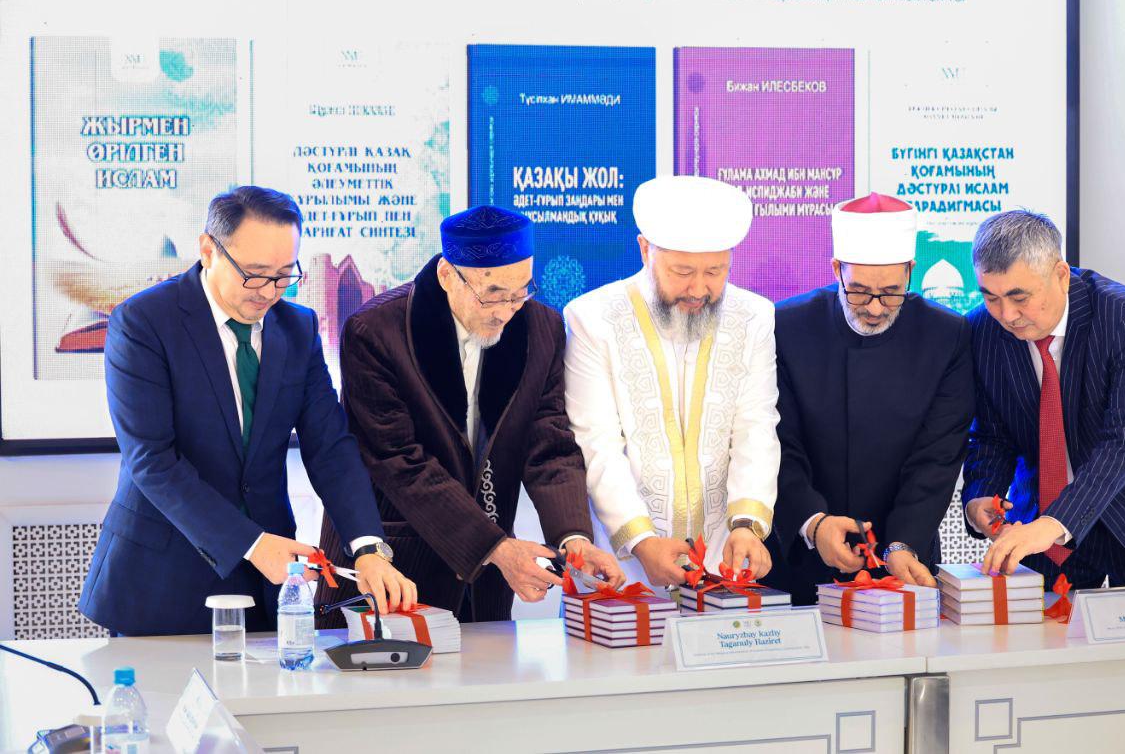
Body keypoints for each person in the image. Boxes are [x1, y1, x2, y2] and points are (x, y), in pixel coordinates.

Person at [81, 186, 415, 636]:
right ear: (208, 251)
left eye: (283, 276)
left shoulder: (297, 329)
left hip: (264, 585)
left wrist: (368, 549)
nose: (269, 292)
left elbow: (330, 448)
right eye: (254, 275)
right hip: (161, 579)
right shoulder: (144, 322)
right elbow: (152, 461)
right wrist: (252, 544)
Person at [315, 205, 621, 623]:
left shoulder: (541, 329)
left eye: (520, 292)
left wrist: (573, 538)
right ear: (447, 275)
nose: (506, 310)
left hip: (487, 583)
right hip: (393, 567)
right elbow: (400, 462)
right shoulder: (376, 331)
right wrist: (496, 548)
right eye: (491, 293)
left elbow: (549, 444)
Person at [963, 209, 1125, 586]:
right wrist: (980, 496)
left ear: (1060, 275)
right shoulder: (981, 329)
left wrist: (1056, 522)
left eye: (1019, 297)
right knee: (1044, 622)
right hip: (1042, 514)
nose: (1006, 314)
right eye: (991, 297)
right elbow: (991, 433)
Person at [564, 175, 781, 588]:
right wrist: (641, 541)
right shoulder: (592, 319)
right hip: (622, 562)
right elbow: (596, 442)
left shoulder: (754, 316)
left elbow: (755, 425)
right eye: (682, 271)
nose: (699, 288)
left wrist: (747, 524)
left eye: (715, 271)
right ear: (645, 249)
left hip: (723, 556)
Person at [767, 193, 974, 605]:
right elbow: (777, 443)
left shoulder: (947, 336)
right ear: (836, 270)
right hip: (800, 553)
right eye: (859, 292)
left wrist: (903, 542)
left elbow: (937, 455)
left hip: (901, 556)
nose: (876, 309)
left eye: (892, 292)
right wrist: (814, 522)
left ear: (911, 271)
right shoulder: (786, 326)